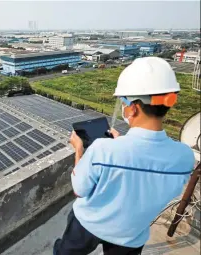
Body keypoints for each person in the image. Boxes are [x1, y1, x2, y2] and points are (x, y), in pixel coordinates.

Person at [53, 57, 195, 255]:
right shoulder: (185, 157)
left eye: (124, 102)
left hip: (88, 224)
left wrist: (79, 150)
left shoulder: (103, 150)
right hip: (131, 233)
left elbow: (80, 190)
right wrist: (121, 142)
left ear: (134, 108)